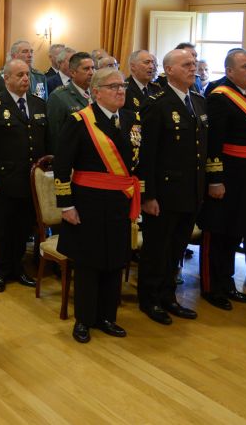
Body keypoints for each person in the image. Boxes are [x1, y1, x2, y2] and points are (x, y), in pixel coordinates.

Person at [53, 67, 140, 343]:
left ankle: (107, 317)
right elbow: (62, 166)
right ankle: (84, 320)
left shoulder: (131, 120)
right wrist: (66, 205)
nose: (120, 91)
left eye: (122, 86)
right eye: (113, 86)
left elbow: (138, 165)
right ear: (96, 92)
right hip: (88, 202)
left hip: (119, 202)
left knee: (115, 260)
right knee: (89, 263)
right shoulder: (80, 121)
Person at [137, 49, 206, 325]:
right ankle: (149, 299)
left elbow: (201, 150)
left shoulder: (199, 102)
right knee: (157, 250)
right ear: (170, 70)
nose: (194, 68)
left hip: (191, 192)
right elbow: (146, 156)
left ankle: (169, 296)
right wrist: (148, 195)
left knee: (177, 249)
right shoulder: (157, 104)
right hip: (164, 194)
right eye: (186, 65)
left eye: (194, 64)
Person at [198, 49, 246, 310]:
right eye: (245, 66)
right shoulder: (219, 97)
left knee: (237, 231)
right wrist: (215, 179)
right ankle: (212, 287)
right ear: (229, 71)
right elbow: (213, 143)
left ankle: (228, 283)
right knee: (219, 233)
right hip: (227, 175)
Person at [0, 59, 48, 292]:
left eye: (27, 75)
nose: (25, 79)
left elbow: (43, 142)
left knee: (22, 228)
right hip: (3, 179)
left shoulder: (38, 104)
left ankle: (17, 268)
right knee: (1, 228)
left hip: (29, 181)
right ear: (6, 78)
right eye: (19, 75)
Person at [47, 51, 94, 153]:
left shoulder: (97, 94)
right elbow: (54, 135)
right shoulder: (59, 96)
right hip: (73, 155)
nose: (91, 72)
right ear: (73, 73)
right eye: (86, 69)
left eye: (92, 68)